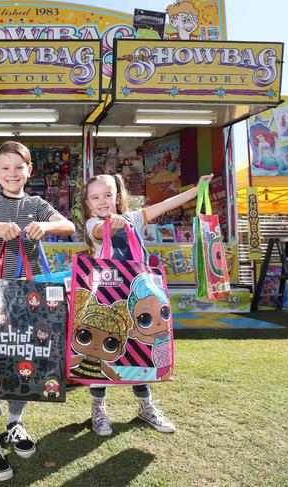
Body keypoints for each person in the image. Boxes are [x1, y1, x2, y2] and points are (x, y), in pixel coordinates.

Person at [0, 141, 75, 481]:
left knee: (24, 357)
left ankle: (15, 423)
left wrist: (47, 227)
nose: (12, 173)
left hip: (32, 295)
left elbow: (67, 226)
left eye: (18, 167)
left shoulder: (36, 203)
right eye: (5, 168)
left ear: (29, 171)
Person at [80, 172, 213, 436]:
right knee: (98, 351)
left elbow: (164, 206)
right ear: (88, 204)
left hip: (137, 299)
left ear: (118, 196)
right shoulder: (92, 223)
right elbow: (99, 230)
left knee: (140, 349)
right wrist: (112, 224)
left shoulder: (133, 218)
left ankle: (146, 406)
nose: (103, 201)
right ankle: (99, 409)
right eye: (95, 197)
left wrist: (197, 191)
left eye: (108, 195)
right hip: (107, 299)